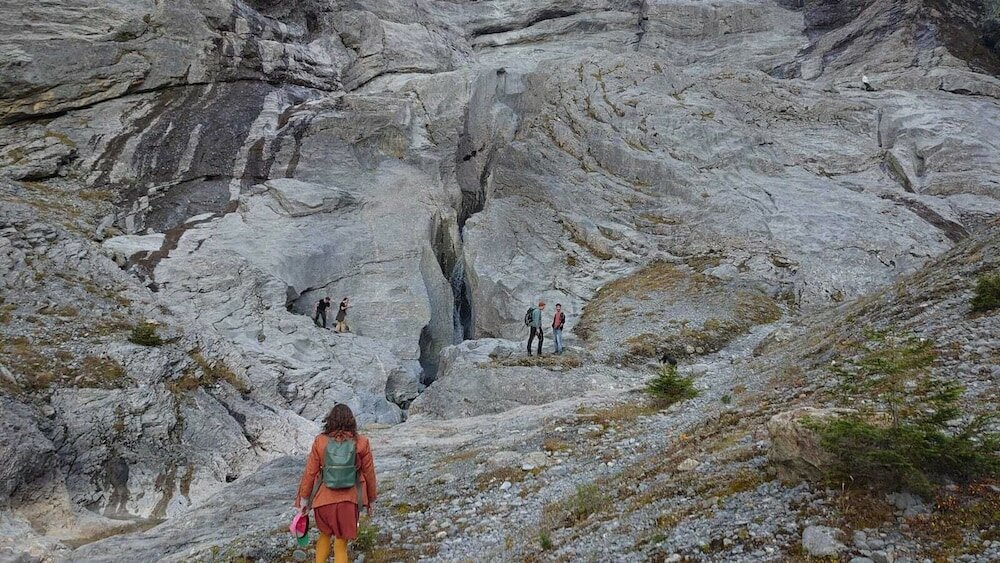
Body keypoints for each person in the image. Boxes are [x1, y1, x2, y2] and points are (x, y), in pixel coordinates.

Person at [295, 404, 377, 563]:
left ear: (330, 420)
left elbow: (310, 473)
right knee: (340, 543)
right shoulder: (361, 442)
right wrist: (371, 499)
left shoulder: (320, 441)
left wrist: (303, 500)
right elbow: (369, 473)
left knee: (324, 536)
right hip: (349, 500)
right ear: (351, 421)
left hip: (323, 501)